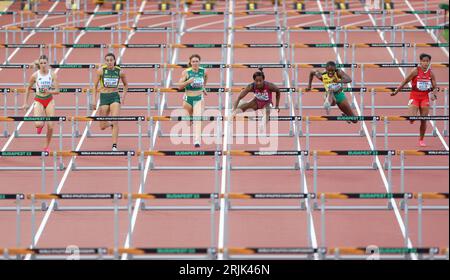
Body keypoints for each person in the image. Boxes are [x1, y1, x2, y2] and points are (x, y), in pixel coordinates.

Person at [391, 53, 438, 147]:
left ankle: (421, 139)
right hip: (414, 97)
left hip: (424, 98)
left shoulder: (431, 73)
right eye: (424, 61)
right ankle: (412, 117)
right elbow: (405, 81)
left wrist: (434, 95)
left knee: (424, 120)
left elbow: (435, 87)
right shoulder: (415, 71)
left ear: (429, 62)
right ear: (420, 62)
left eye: (427, 61)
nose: (425, 63)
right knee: (412, 118)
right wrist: (396, 91)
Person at [21, 55, 60, 152]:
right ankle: (40, 125)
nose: (43, 65)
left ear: (47, 63)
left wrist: (49, 91)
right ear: (39, 64)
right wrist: (25, 103)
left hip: (49, 100)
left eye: (44, 63)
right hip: (38, 99)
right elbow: (28, 88)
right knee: (38, 124)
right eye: (41, 63)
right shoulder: (35, 75)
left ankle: (46, 146)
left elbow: (57, 90)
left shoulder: (52, 74)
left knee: (51, 126)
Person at [92, 53, 128, 151]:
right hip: (104, 97)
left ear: (114, 61)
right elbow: (94, 86)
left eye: (111, 60)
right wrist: (94, 101)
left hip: (114, 97)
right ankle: (110, 124)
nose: (109, 62)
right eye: (107, 60)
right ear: (105, 62)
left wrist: (123, 96)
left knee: (115, 120)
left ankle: (114, 145)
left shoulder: (120, 72)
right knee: (102, 126)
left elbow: (126, 85)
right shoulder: (100, 71)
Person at [178, 54, 208, 148]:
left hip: (199, 98)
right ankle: (190, 119)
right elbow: (179, 86)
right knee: (187, 123)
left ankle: (197, 140)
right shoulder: (186, 72)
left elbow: (205, 79)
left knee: (198, 119)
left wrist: (203, 87)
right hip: (188, 100)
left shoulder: (204, 71)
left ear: (199, 62)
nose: (195, 63)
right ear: (190, 63)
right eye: (193, 61)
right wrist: (188, 82)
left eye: (197, 61)